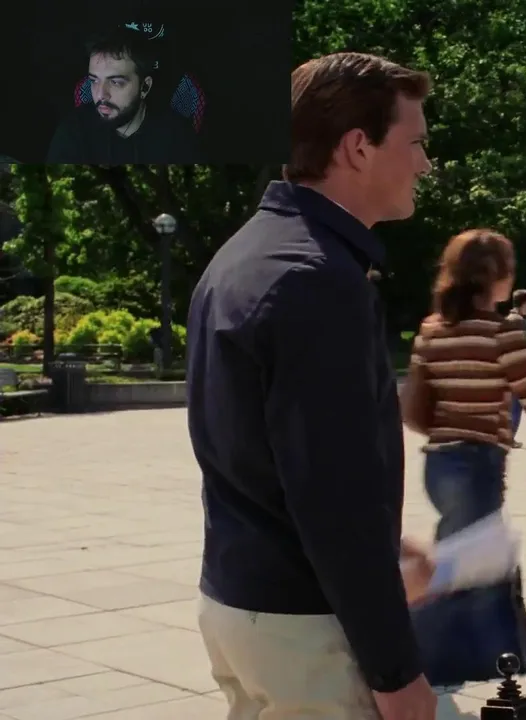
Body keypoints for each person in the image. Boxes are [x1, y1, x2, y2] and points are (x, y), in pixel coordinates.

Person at [187, 53, 436, 720]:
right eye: (415, 142)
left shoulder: (243, 254)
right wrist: (396, 672)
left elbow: (266, 456)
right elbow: (333, 496)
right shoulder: (317, 279)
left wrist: (383, 550)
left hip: (242, 604)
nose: (424, 163)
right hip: (306, 630)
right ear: (358, 147)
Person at [401, 229, 526, 694]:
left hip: (439, 464)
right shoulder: (502, 331)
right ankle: (406, 668)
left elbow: (415, 407)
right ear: (494, 276)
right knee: (458, 575)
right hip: (476, 465)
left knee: (492, 563)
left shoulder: (432, 329)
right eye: (508, 269)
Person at [46, 27, 202, 164]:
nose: (100, 95)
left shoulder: (178, 137)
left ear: (145, 87)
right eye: (94, 81)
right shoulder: (73, 132)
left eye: (115, 82)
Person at [506, 288, 526, 445]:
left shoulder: (508, 319)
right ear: (524, 303)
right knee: (517, 405)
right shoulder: (519, 321)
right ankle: (509, 437)